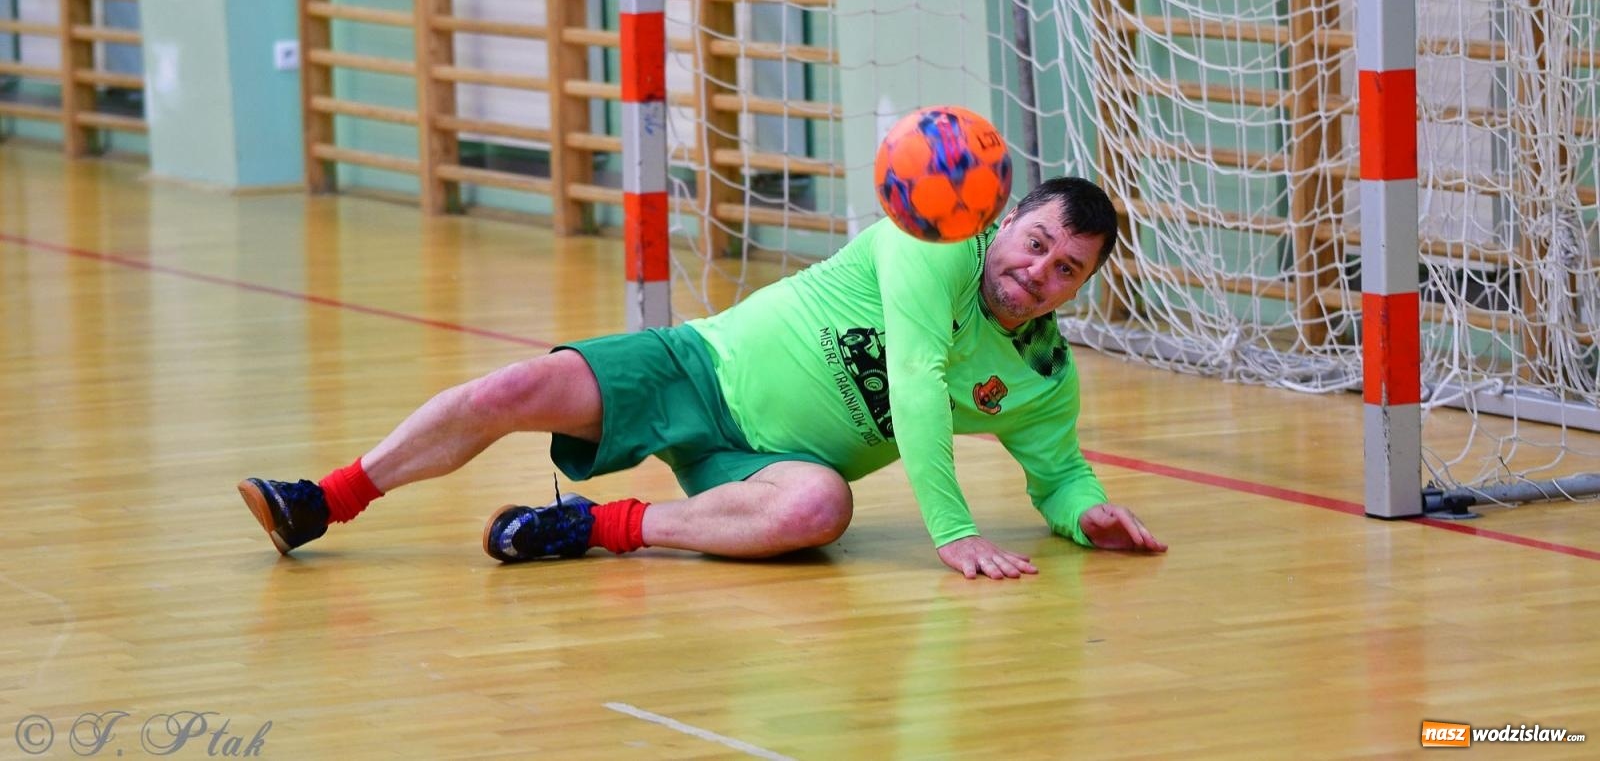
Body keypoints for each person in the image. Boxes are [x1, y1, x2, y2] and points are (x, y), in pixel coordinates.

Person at [238, 176, 1166, 579]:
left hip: (771, 464)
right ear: (1005, 225)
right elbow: (918, 384)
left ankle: (588, 528)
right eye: (1036, 243)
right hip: (697, 366)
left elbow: (1057, 471)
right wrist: (954, 531)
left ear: (1079, 287)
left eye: (1065, 270)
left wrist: (1085, 516)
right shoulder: (933, 245)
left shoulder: (1044, 374)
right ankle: (326, 499)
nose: (1037, 272)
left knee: (819, 513)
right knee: (510, 391)